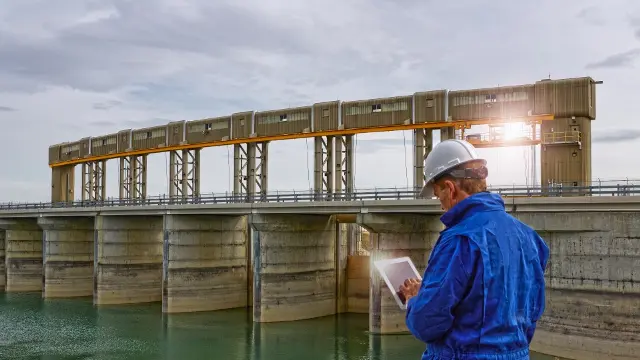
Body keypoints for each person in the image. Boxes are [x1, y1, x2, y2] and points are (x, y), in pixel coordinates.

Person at [399, 139, 549, 360]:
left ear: (450, 188)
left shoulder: (458, 240)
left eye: (438, 194)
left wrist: (414, 299)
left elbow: (426, 323)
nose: (440, 203)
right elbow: (532, 311)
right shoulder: (529, 237)